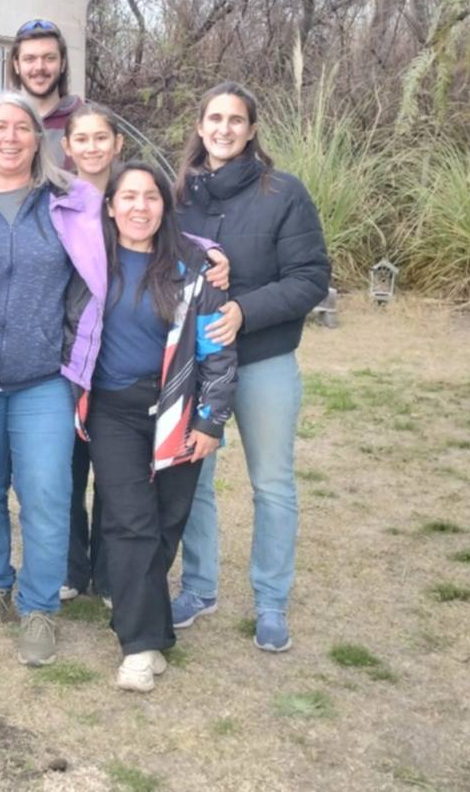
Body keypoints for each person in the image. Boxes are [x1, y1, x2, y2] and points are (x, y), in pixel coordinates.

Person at [0, 94, 106, 668]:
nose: (9, 137)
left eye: (21, 128)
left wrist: (207, 254)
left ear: (39, 140)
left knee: (48, 495)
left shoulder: (73, 201)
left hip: (43, 381)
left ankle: (38, 607)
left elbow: (144, 235)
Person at [170, 82, 331, 653]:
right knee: (194, 476)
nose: (224, 129)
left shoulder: (282, 192)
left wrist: (243, 308)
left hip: (263, 360)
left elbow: (310, 278)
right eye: (214, 118)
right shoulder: (180, 192)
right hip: (199, 363)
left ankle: (270, 600)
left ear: (252, 129)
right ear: (200, 124)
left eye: (236, 120)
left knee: (273, 483)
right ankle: (198, 587)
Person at [87, 161, 237, 692]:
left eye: (151, 197)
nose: (138, 207)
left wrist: (212, 420)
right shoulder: (90, 261)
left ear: (164, 207)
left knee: (168, 519)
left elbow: (218, 349)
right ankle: (139, 645)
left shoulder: (196, 267)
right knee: (130, 521)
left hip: (178, 409)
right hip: (112, 408)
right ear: (109, 207)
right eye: (127, 197)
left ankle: (145, 623)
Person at [57, 101, 126, 604]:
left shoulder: (136, 193)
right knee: (66, 466)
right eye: (82, 139)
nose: (92, 147)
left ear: (116, 144)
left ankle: (107, 570)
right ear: (67, 147)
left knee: (115, 469)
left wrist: (210, 249)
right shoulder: (55, 198)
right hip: (68, 350)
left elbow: (175, 238)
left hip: (122, 350)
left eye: (101, 137)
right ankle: (70, 567)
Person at [8, 19, 82, 169]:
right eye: (30, 59)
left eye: (49, 58)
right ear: (16, 65)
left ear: (62, 64)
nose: (39, 67)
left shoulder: (85, 122)